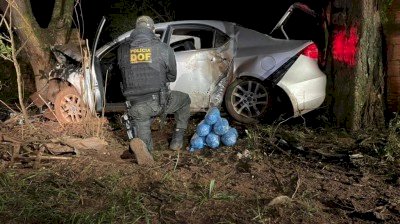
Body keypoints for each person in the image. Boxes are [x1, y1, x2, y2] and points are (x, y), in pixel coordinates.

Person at [117, 15, 191, 152]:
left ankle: (147, 152)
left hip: (135, 106)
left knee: (145, 147)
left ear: (136, 28)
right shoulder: (163, 48)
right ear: (152, 30)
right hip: (159, 103)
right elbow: (172, 77)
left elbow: (122, 75)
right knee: (185, 100)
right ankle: (177, 139)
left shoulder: (122, 50)